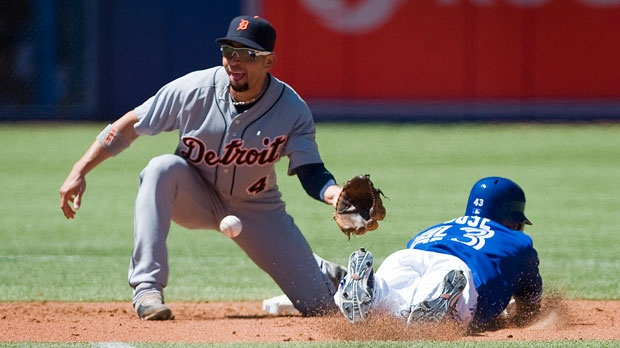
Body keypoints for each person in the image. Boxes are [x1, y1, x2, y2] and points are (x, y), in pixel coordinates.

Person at [59, 15, 346, 320]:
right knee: (160, 169)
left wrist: (335, 195)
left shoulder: (291, 109)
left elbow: (310, 170)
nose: (235, 62)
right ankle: (146, 288)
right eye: (229, 52)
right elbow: (130, 125)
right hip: (193, 195)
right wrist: (80, 169)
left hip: (257, 210)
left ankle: (320, 272)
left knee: (321, 308)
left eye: (247, 55)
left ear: (269, 62)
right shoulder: (193, 89)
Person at [335, 176, 543, 333]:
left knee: (393, 301)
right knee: (445, 316)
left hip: (407, 256)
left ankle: (372, 290)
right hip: (456, 272)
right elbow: (529, 305)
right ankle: (440, 299)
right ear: (513, 220)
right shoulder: (517, 240)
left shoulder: (437, 228)